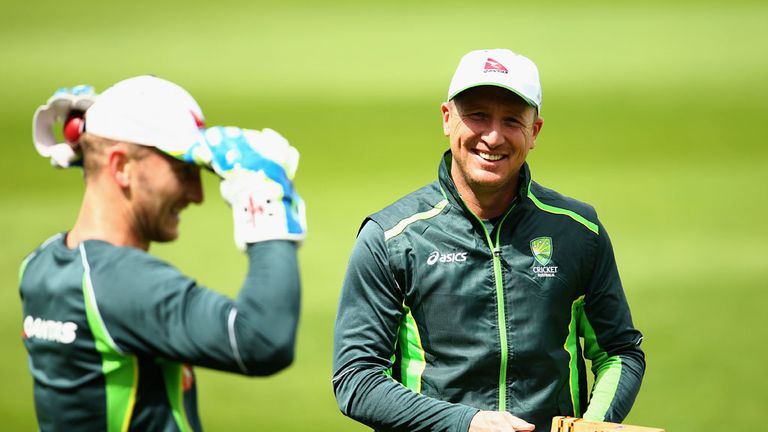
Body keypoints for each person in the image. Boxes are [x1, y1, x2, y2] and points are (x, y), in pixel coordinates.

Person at [332, 49, 645, 432]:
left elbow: (619, 352)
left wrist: (590, 428)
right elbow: (356, 380)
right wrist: (466, 423)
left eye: (512, 120)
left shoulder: (579, 231)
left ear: (535, 132)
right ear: (448, 119)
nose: (493, 136)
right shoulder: (392, 237)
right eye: (478, 115)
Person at [21, 76, 306, 431]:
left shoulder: (41, 266)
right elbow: (263, 340)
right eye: (182, 170)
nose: (197, 194)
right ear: (121, 167)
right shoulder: (118, 284)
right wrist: (266, 199)